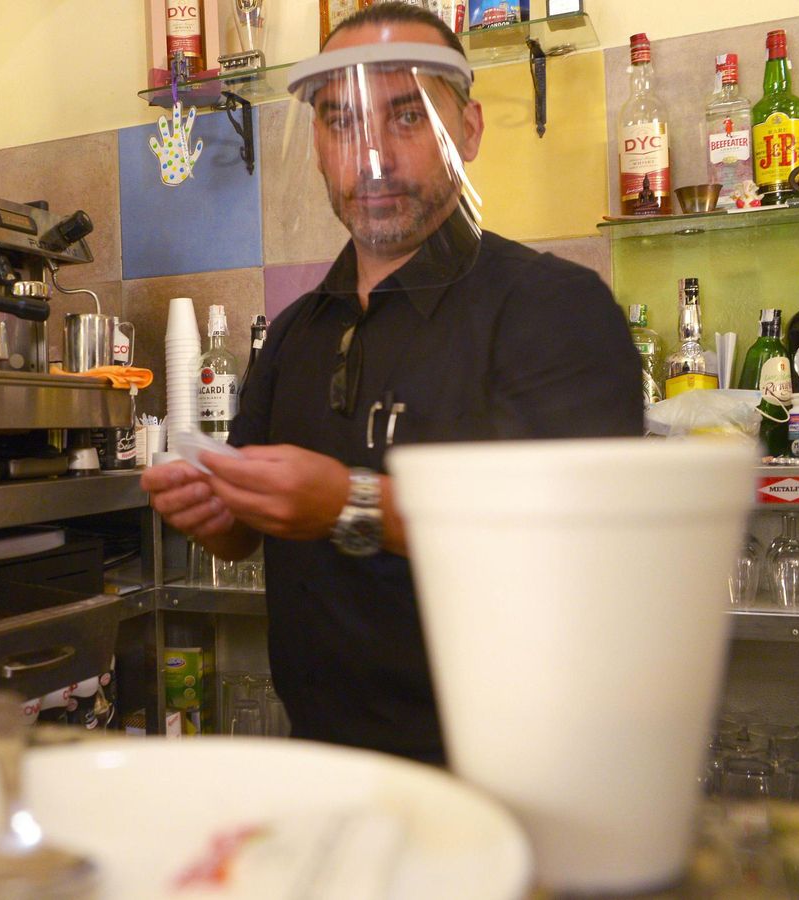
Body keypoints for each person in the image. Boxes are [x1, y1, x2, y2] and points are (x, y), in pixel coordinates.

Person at [141, 2, 643, 763]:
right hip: (323, 760)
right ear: (315, 143)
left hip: (509, 773)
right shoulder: (297, 331)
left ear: (468, 130)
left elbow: (571, 535)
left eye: (406, 118)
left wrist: (349, 502)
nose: (370, 158)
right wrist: (215, 506)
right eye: (342, 123)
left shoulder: (553, 306)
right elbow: (247, 535)